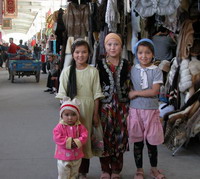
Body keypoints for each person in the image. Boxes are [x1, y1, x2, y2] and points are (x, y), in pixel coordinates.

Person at [56, 39, 104, 179]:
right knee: (70, 138)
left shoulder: (93, 71)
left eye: (84, 52)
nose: (80, 55)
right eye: (77, 52)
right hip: (70, 112)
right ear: (73, 54)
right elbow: (62, 95)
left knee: (84, 140)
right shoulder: (66, 72)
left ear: (89, 54)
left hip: (88, 111)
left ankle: (82, 171)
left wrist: (95, 115)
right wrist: (65, 115)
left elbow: (96, 94)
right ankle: (69, 171)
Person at [127, 39, 165, 179]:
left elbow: (154, 91)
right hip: (135, 110)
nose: (144, 56)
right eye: (141, 53)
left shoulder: (156, 71)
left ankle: (154, 169)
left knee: (151, 143)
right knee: (137, 142)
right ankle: (139, 169)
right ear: (136, 54)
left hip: (151, 111)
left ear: (153, 54)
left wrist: (135, 93)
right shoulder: (132, 69)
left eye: (148, 53)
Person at [97, 33, 131, 179]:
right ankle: (105, 169)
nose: (113, 47)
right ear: (105, 46)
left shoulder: (126, 64)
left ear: (121, 46)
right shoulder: (99, 65)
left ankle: (116, 170)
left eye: (116, 44)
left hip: (122, 107)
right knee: (104, 137)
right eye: (109, 44)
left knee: (120, 137)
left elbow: (130, 84)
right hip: (105, 107)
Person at [53, 97, 88, 179]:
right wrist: (69, 142)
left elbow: (84, 135)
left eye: (73, 114)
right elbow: (57, 137)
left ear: (77, 115)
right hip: (63, 157)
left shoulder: (80, 126)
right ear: (61, 115)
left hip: (76, 155)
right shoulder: (59, 127)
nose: (70, 117)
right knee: (63, 174)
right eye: (67, 115)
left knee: (74, 173)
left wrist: (77, 142)